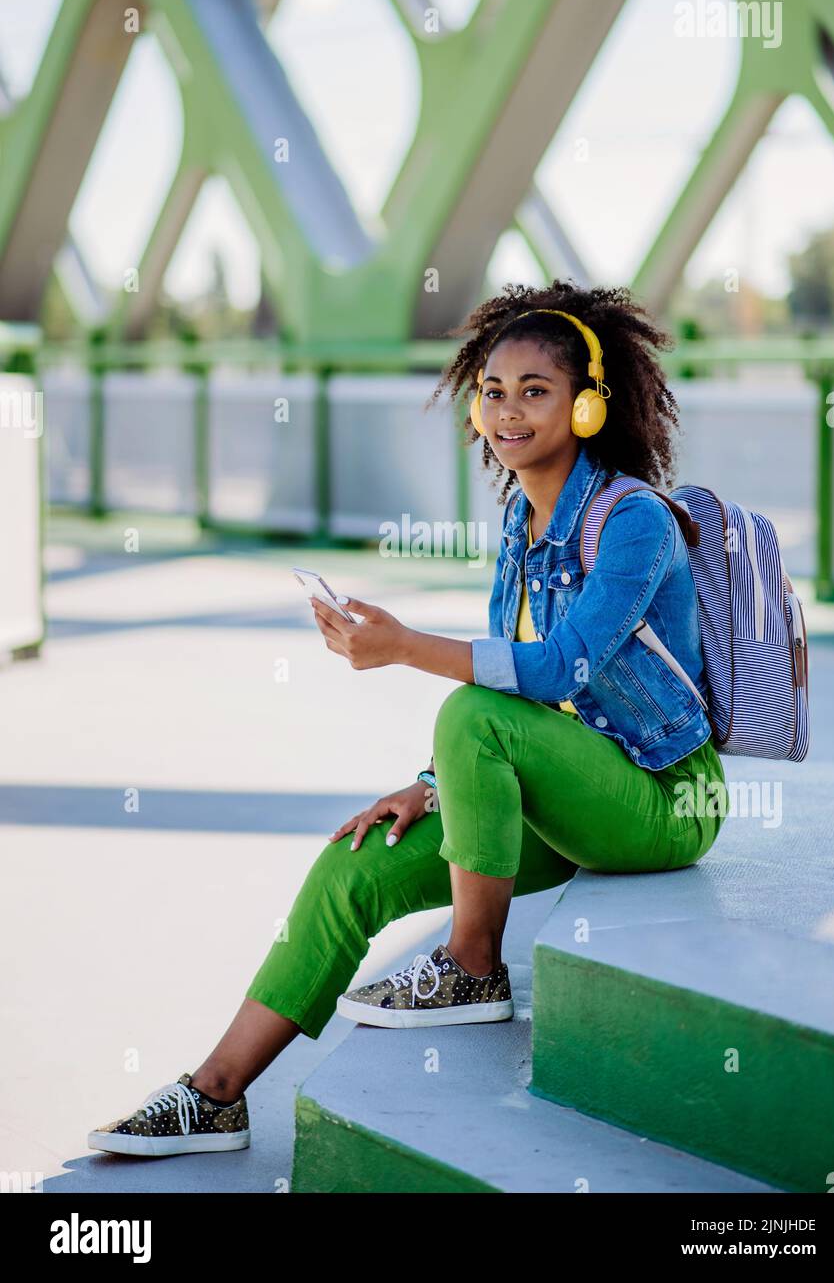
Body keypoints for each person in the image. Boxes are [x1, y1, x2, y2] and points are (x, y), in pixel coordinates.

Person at [87, 280, 728, 1157]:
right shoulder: (521, 524)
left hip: (663, 802)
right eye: (493, 391)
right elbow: (516, 697)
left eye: (535, 391)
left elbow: (553, 670)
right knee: (356, 862)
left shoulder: (635, 522)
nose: (507, 411)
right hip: (570, 787)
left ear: (586, 407)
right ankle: (217, 1094)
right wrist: (431, 788)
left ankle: (470, 965)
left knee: (469, 711)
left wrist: (401, 645)